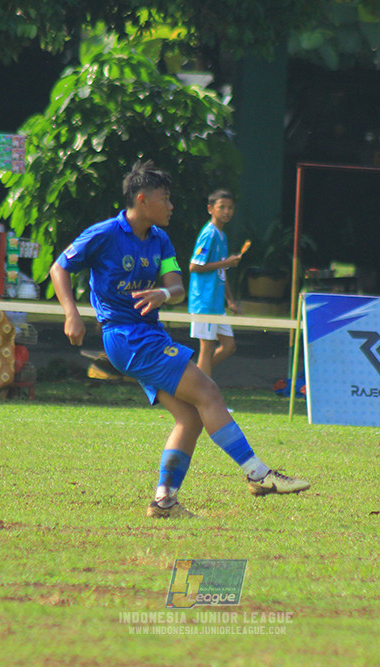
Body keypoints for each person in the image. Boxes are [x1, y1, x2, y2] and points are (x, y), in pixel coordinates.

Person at [49, 160, 309, 519]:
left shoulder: (160, 238)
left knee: (190, 417)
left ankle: (164, 501)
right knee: (209, 392)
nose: (171, 206)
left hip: (148, 335)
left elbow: (176, 286)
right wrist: (71, 313)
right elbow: (59, 267)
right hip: (126, 337)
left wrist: (161, 293)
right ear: (143, 200)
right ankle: (258, 474)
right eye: (165, 199)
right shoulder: (104, 234)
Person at [188, 189, 243, 377]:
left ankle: (193, 379)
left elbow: (221, 272)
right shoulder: (209, 234)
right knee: (207, 348)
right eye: (222, 207)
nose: (227, 211)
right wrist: (226, 263)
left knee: (229, 346)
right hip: (204, 301)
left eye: (230, 208)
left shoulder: (222, 235)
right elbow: (194, 266)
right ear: (210, 209)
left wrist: (230, 300)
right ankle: (203, 398)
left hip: (216, 303)